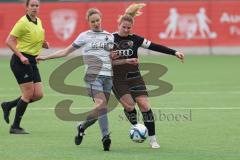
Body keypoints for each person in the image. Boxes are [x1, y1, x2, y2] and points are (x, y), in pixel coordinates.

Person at [36, 8, 136, 151]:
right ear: (88, 22)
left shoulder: (109, 37)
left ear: (101, 18)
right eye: (92, 21)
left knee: (101, 110)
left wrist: (126, 61)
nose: (96, 23)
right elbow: (65, 51)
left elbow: (111, 60)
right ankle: (106, 136)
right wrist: (45, 57)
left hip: (108, 77)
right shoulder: (84, 36)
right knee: (102, 105)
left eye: (97, 20)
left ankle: (81, 126)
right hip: (92, 76)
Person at [111, 3, 184, 149]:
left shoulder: (136, 39)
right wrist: (117, 58)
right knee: (130, 106)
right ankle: (138, 128)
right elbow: (103, 60)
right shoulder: (109, 39)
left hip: (135, 76)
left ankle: (152, 139)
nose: (126, 30)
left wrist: (174, 52)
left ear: (132, 27)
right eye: (123, 27)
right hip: (118, 79)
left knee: (144, 105)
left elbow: (155, 46)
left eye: (128, 27)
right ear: (119, 24)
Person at [1, 0, 49, 134]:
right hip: (20, 61)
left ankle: (8, 105)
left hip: (32, 61)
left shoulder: (38, 21)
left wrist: (43, 44)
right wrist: (21, 56)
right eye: (32, 5)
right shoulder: (22, 22)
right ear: (26, 7)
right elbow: (9, 41)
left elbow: (33, 39)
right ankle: (15, 127)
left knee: (38, 94)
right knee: (28, 93)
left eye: (37, 5)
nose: (34, 8)